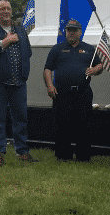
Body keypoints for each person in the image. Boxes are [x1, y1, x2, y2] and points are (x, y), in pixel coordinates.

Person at [0, 0, 37, 166]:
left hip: (18, 83)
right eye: (2, 8)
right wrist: (5, 41)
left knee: (21, 119)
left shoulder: (20, 30)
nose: (5, 11)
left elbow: (28, 51)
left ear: (11, 11)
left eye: (8, 8)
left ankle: (23, 152)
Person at [43, 19, 104, 162]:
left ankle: (83, 156)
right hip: (62, 93)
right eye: (69, 30)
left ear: (80, 32)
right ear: (66, 32)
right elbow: (47, 69)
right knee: (63, 125)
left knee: (83, 125)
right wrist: (50, 86)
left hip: (82, 93)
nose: (71, 33)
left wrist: (95, 69)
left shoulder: (89, 49)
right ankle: (63, 155)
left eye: (74, 30)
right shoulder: (57, 49)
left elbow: (100, 65)